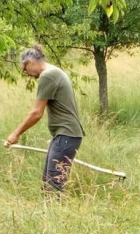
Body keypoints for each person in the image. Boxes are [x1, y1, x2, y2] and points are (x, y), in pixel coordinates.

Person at [5, 45, 85, 192]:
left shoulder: (48, 75)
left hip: (66, 135)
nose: (25, 73)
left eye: (24, 68)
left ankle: (58, 208)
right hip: (65, 135)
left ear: (30, 62)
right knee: (48, 183)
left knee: (53, 187)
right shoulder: (54, 71)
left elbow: (36, 113)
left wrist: (16, 134)